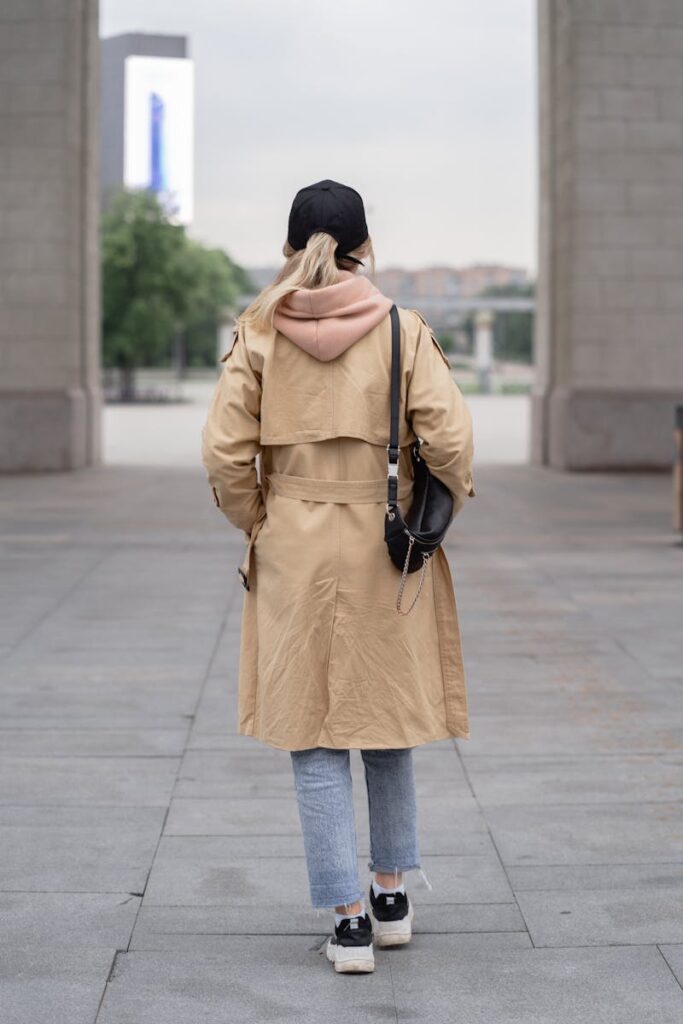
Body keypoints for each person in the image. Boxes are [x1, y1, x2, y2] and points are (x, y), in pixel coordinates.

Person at [201, 179, 475, 974]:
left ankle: (347, 922)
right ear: (364, 245)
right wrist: (425, 504)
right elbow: (450, 443)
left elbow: (224, 455)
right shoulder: (402, 330)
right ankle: (390, 896)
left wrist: (261, 517)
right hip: (382, 542)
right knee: (384, 718)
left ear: (290, 247)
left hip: (291, 539)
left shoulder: (258, 333)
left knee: (313, 732)